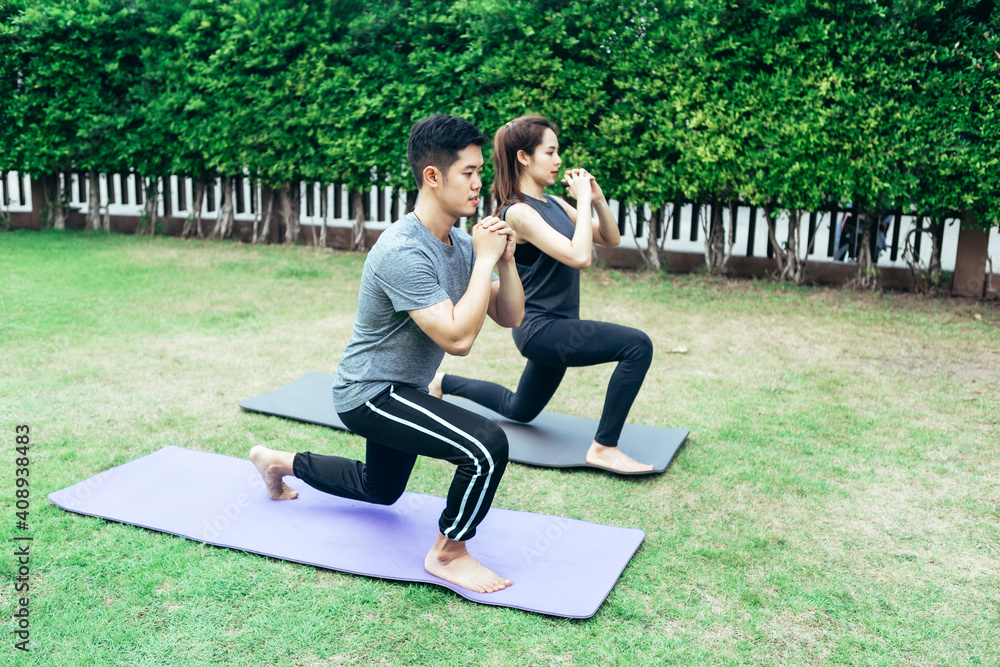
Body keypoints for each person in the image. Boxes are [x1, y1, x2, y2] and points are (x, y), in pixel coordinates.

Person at [250, 114, 524, 594]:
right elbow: (458, 341)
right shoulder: (403, 250)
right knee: (485, 446)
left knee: (381, 489)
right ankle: (449, 552)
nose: (480, 184)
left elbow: (511, 315)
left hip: (404, 390)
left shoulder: (460, 244)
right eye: (469, 173)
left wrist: (503, 260)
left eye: (481, 172)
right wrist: (483, 260)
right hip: (369, 392)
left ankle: (276, 461)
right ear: (432, 177)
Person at [430, 114, 654, 474]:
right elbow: (580, 257)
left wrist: (594, 200)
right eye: (550, 152)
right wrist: (580, 200)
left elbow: (609, 238)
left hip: (561, 326)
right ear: (523, 157)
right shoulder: (518, 213)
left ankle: (444, 382)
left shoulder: (553, 204)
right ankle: (604, 447)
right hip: (539, 328)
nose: (558, 160)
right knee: (637, 346)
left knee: (520, 408)